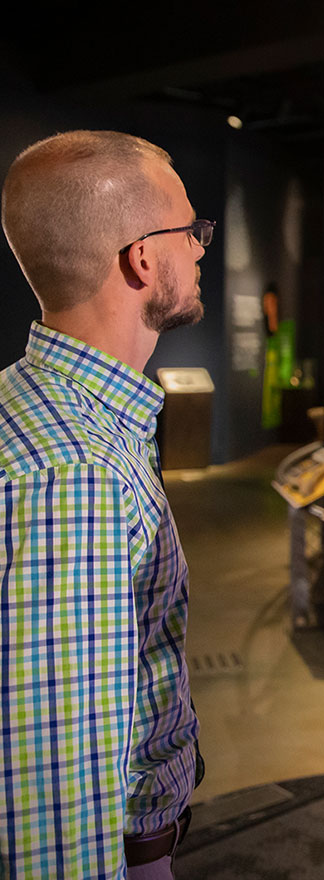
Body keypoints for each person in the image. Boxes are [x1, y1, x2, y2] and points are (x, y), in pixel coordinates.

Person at [0, 131, 212, 879]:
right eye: (192, 231)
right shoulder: (75, 472)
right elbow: (55, 794)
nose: (201, 249)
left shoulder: (30, 408)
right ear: (143, 257)